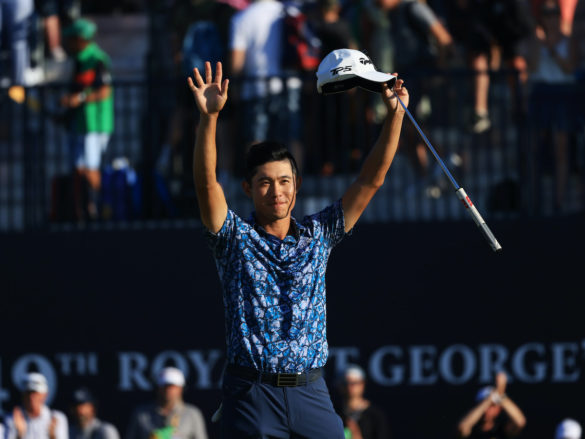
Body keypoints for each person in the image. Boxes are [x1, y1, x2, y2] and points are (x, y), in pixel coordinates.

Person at [187, 59, 408, 437]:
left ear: (297, 184)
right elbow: (207, 183)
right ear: (247, 189)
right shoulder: (233, 238)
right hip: (251, 395)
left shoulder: (318, 233)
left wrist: (395, 117)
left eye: (285, 181)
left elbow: (371, 180)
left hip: (311, 393)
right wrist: (210, 119)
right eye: (265, 183)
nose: (277, 192)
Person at [229, 0, 303, 171]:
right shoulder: (287, 12)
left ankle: (256, 184)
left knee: (256, 139)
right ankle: (296, 184)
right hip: (289, 83)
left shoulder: (242, 18)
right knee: (292, 138)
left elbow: (237, 61)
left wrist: (234, 88)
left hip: (257, 87)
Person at [60, 18, 114, 221]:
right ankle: (86, 211)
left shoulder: (97, 59)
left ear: (80, 39)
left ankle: (105, 209)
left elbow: (105, 91)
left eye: (71, 39)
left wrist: (79, 98)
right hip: (79, 124)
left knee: (91, 170)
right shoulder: (78, 60)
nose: (67, 43)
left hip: (95, 124)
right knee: (79, 170)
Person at [125, 367, 208, 439]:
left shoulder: (192, 413)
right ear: (158, 388)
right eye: (164, 386)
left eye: (172, 386)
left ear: (181, 388)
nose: (168, 390)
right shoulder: (140, 413)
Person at [457, 372, 526, 439]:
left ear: (498, 409)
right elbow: (463, 427)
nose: (487, 409)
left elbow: (520, 422)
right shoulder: (472, 430)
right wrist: (490, 399)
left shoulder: (501, 430)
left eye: (491, 406)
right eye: (485, 405)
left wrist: (501, 394)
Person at [4, 373, 69, 439]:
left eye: (35, 393)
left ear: (45, 395)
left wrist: (52, 436)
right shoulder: (12, 419)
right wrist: (19, 435)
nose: (31, 397)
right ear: (22, 395)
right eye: (28, 393)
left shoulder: (57, 418)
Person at [335, 364, 390, 439]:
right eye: (345, 383)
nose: (350, 387)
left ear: (362, 384)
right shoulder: (334, 414)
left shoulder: (376, 416)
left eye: (355, 383)